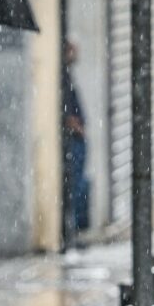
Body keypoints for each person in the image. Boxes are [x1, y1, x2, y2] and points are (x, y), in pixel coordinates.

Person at [61, 39, 89, 248]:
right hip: (73, 141)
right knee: (74, 185)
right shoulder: (61, 77)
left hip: (77, 140)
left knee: (78, 185)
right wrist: (77, 128)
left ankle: (75, 230)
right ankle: (72, 231)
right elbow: (65, 113)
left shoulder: (67, 75)